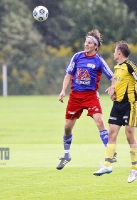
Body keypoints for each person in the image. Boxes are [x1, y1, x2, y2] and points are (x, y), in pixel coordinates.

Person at [56, 29, 116, 170]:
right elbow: (68, 75)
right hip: (75, 96)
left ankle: (110, 153)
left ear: (95, 46)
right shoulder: (77, 57)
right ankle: (66, 155)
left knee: (100, 121)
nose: (86, 44)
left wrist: (113, 87)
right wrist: (63, 90)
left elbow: (112, 76)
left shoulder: (99, 60)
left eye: (89, 43)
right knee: (67, 127)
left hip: (90, 96)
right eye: (86, 42)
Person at [93, 40, 137, 183]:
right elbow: (118, 83)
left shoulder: (131, 66)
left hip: (130, 105)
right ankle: (107, 165)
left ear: (119, 52)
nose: (113, 53)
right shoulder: (117, 67)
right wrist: (113, 90)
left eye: (114, 51)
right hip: (117, 105)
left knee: (129, 135)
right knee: (112, 133)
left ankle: (134, 169)